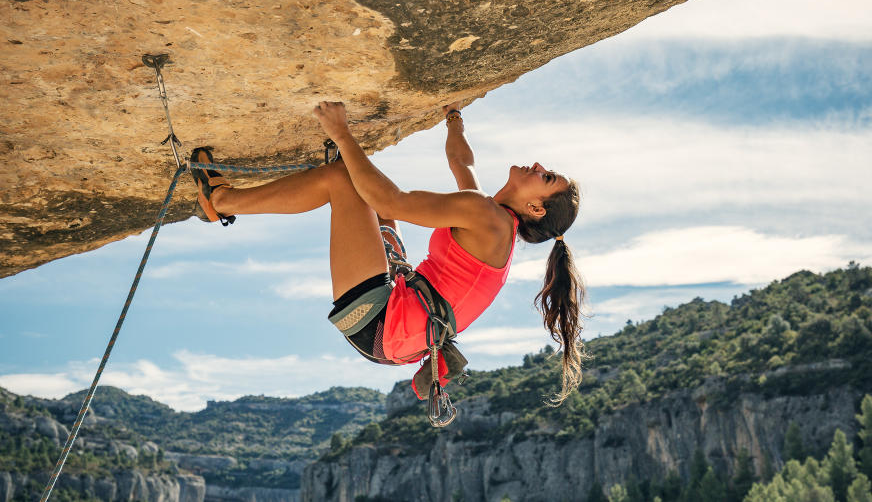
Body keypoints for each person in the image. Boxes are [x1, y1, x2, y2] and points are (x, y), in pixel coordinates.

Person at [190, 102, 585, 404]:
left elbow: (394, 202)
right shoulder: (492, 217)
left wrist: (343, 133)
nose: (537, 166)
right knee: (363, 187)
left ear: (536, 208)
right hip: (398, 327)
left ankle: (221, 201)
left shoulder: (489, 218)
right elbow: (461, 162)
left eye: (546, 177)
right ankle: (317, 170)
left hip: (381, 322)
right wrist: (454, 116)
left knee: (343, 180)